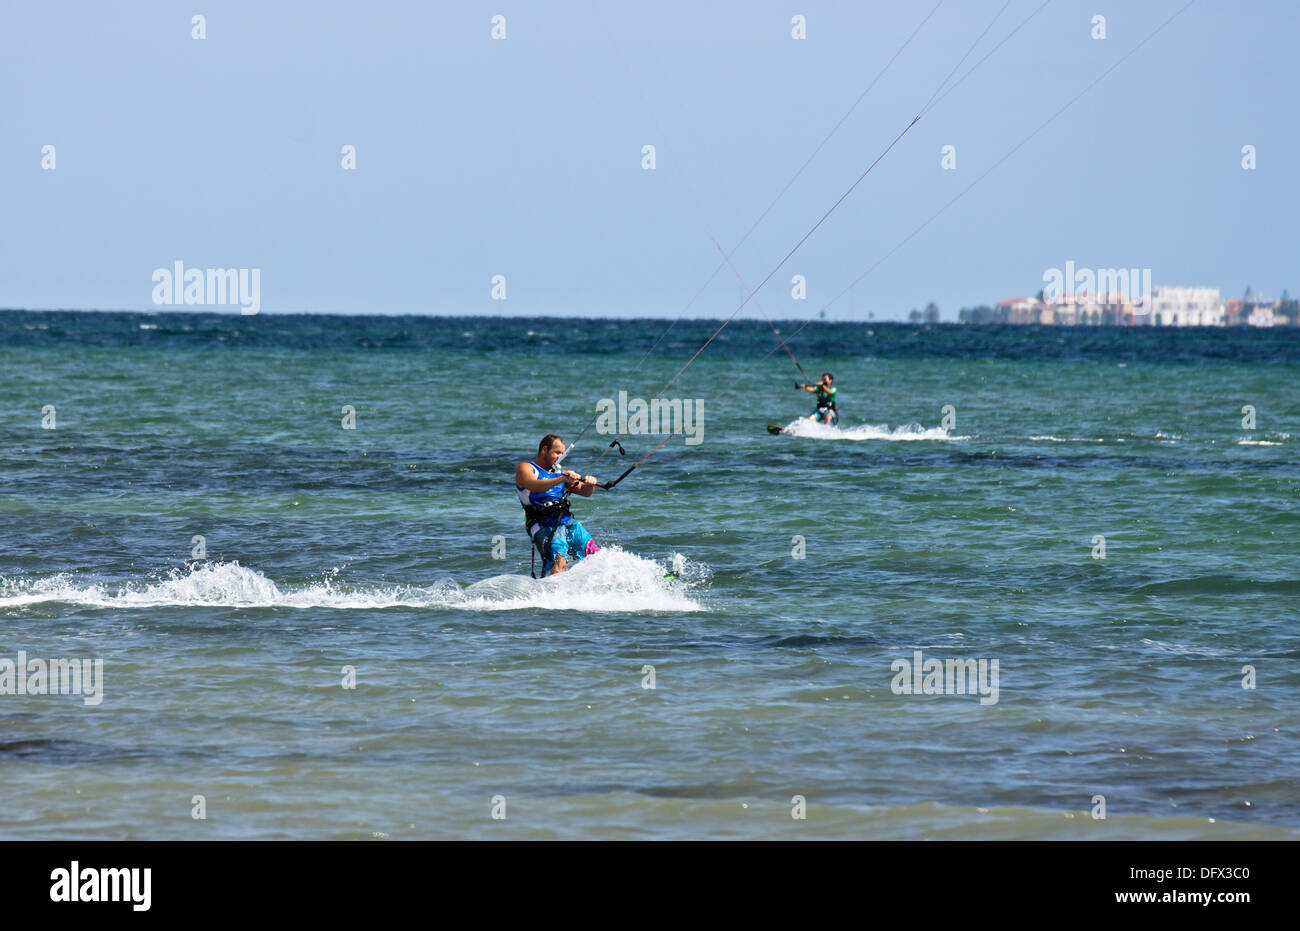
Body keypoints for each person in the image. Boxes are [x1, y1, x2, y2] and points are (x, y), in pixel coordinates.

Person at [514, 434, 600, 576]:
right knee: (560, 561)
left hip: (566, 522)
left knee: (594, 555)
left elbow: (585, 492)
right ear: (544, 450)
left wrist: (590, 484)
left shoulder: (561, 473)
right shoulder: (526, 468)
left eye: (562, 453)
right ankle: (553, 596)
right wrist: (561, 478)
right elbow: (534, 486)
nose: (560, 457)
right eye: (557, 452)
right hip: (542, 525)